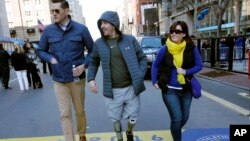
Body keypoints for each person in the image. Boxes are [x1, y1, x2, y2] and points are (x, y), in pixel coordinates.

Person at [37, 0, 94, 141]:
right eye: (52, 11)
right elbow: (40, 50)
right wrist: (50, 59)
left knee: (79, 111)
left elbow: (93, 51)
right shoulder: (48, 30)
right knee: (65, 114)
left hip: (77, 79)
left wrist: (84, 65)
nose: (54, 14)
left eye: (57, 11)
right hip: (59, 80)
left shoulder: (81, 29)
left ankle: (81, 135)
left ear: (66, 11)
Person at [87, 11, 147, 141]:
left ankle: (129, 131)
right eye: (100, 23)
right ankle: (119, 138)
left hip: (132, 88)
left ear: (114, 25)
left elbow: (142, 58)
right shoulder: (99, 43)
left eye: (105, 23)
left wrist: (140, 74)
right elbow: (93, 62)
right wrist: (91, 79)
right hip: (112, 90)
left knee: (133, 117)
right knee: (115, 119)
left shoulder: (130, 40)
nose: (102, 26)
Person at [151, 21, 202, 141]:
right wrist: (154, 81)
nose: (173, 33)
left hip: (186, 89)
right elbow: (155, 65)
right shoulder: (165, 49)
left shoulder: (191, 49)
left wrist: (185, 72)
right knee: (177, 118)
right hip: (169, 90)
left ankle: (175, 130)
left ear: (184, 34)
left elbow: (199, 65)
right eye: (172, 31)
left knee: (184, 118)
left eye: (177, 31)